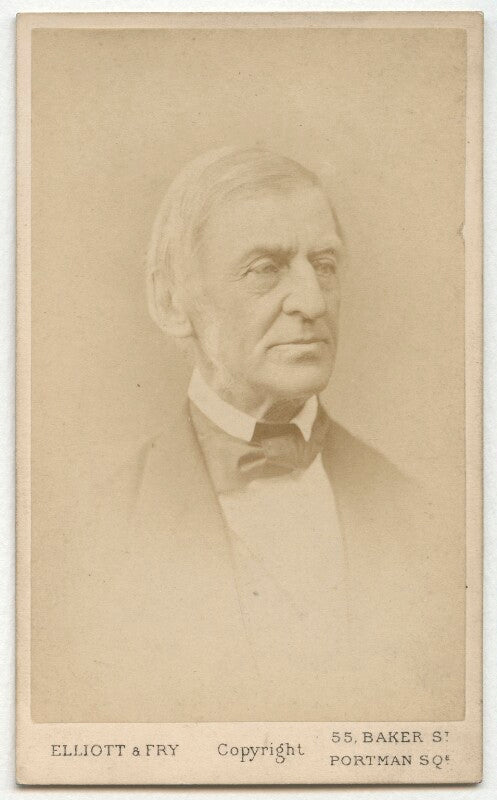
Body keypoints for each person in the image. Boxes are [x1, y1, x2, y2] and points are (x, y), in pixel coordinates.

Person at [32, 147, 464, 723]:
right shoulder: (89, 535)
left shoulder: (422, 517)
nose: (312, 302)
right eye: (265, 269)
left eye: (325, 265)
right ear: (170, 301)